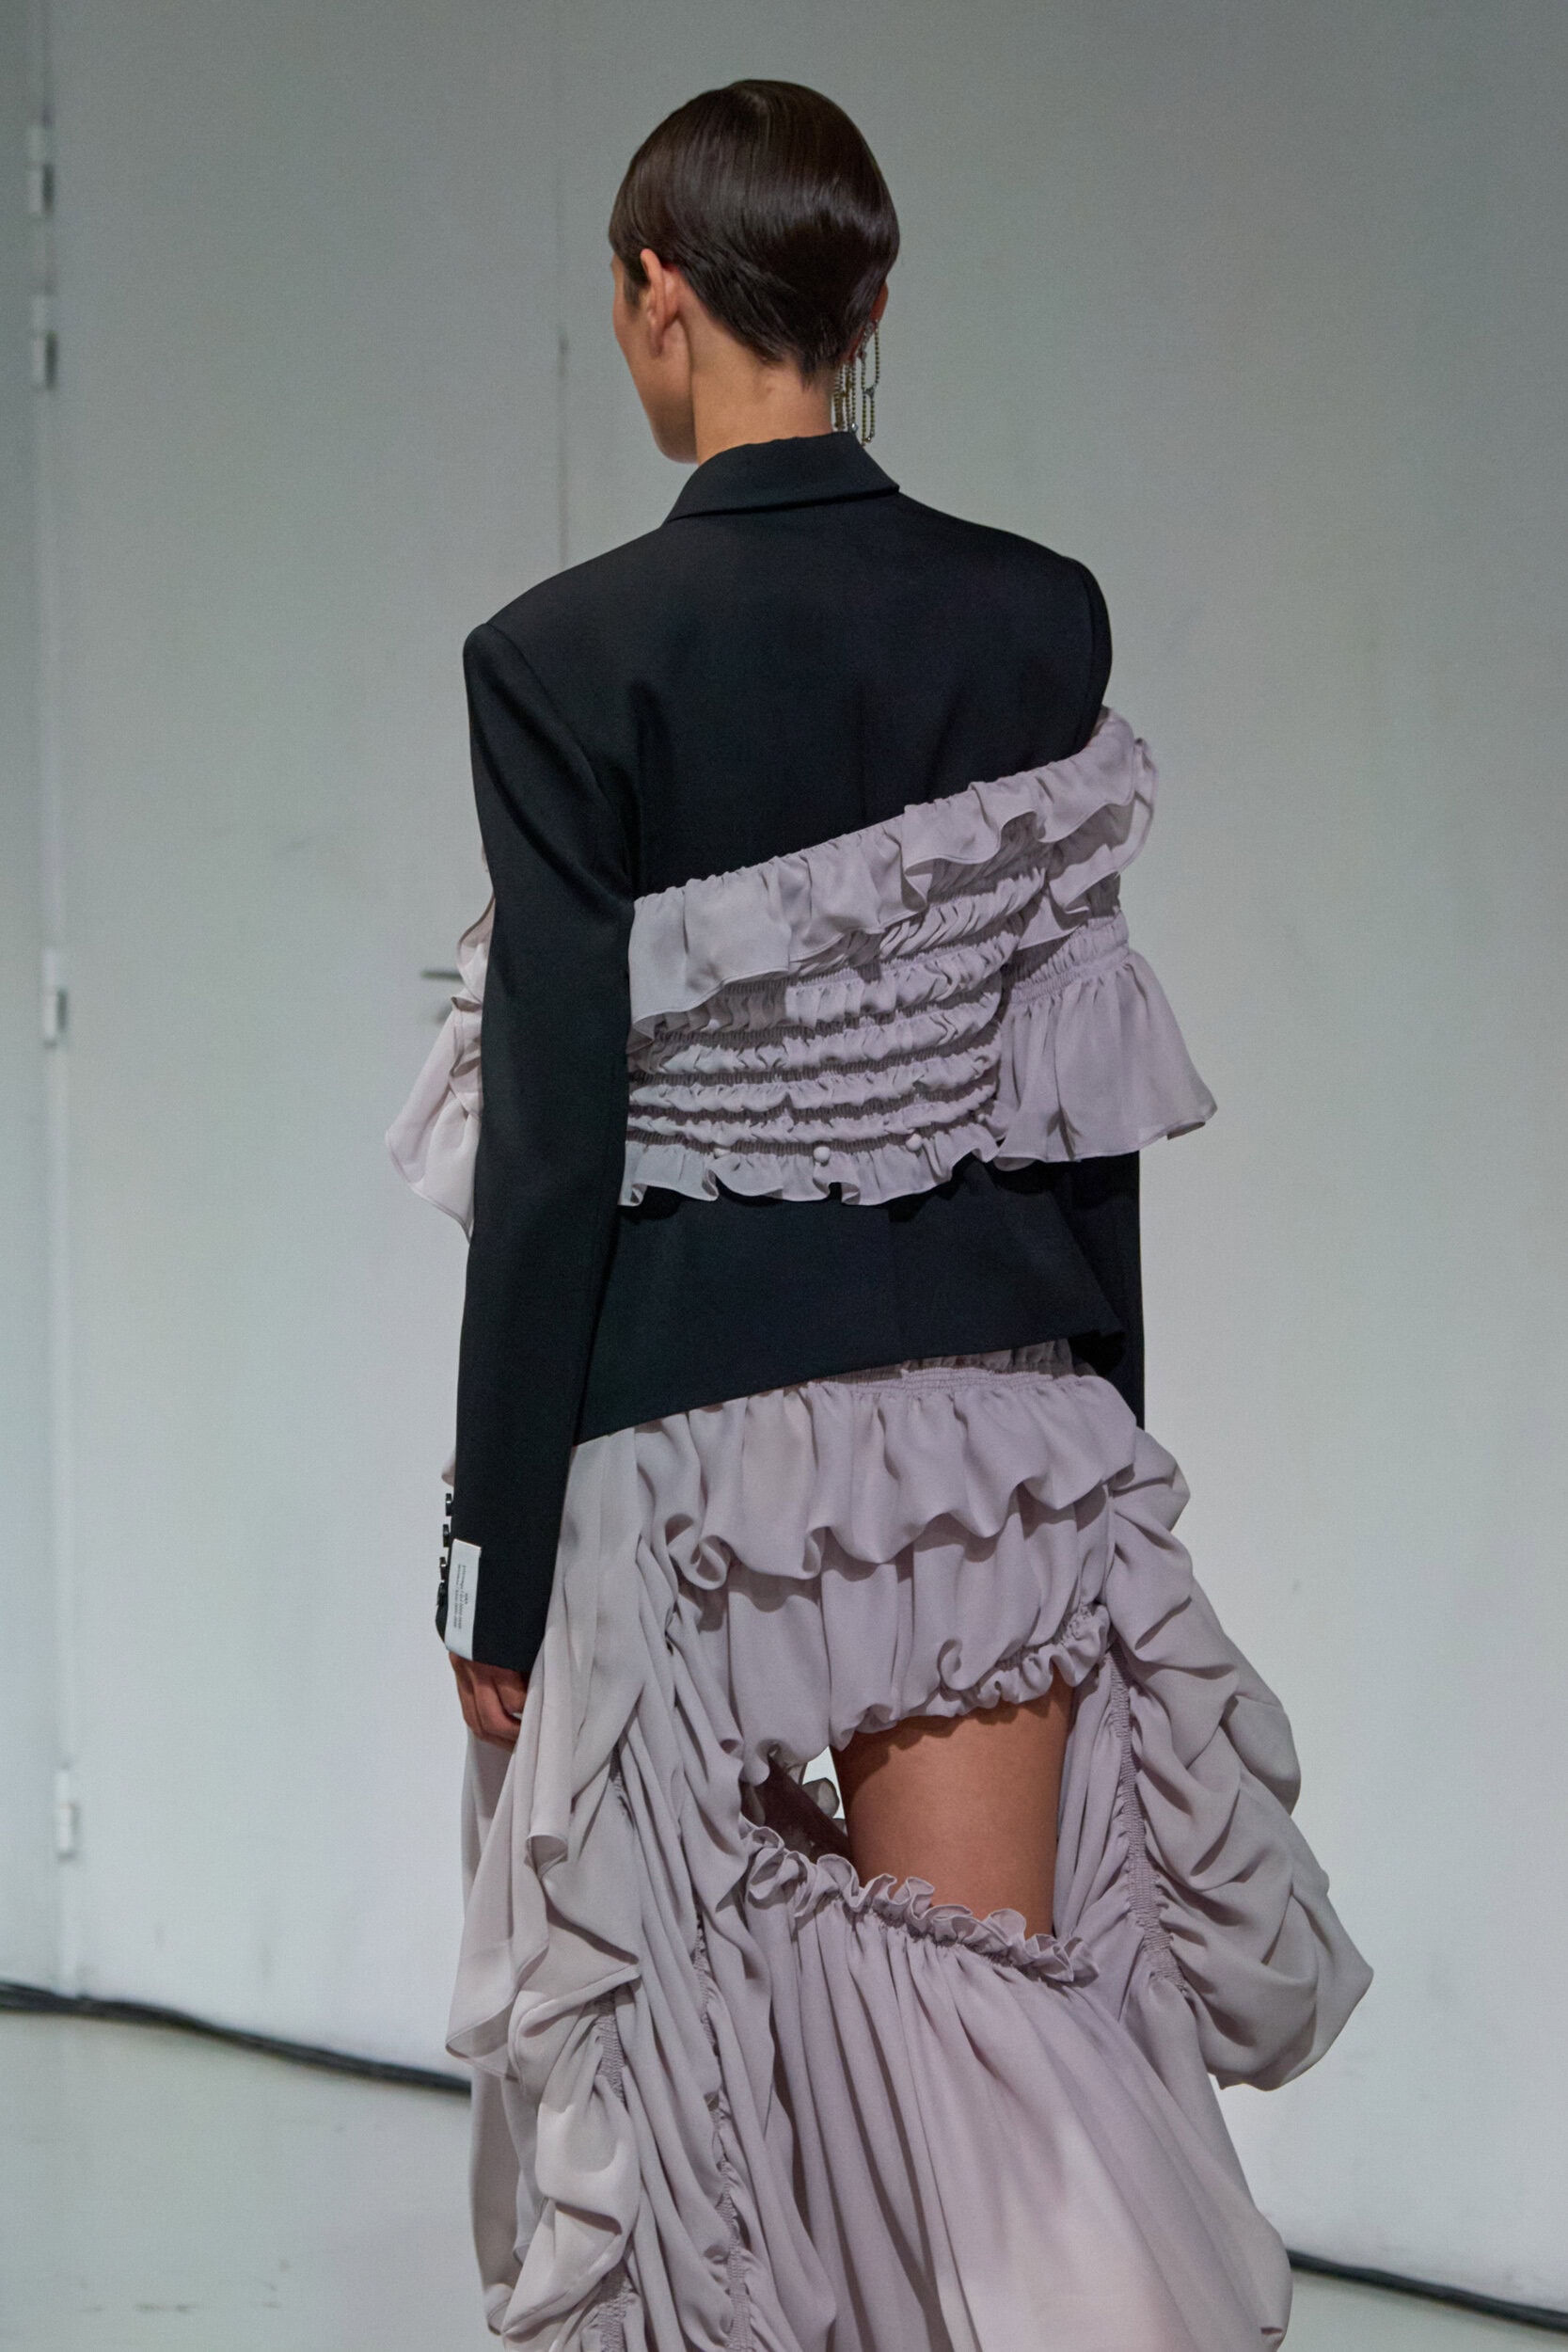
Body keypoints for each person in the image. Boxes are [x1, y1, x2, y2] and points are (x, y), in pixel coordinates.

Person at [388, 78, 1370, 2352]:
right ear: (872, 305)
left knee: (682, 2090)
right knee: (992, 2043)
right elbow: (1083, 1076)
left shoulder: (561, 658)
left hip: (681, 1478)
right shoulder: (1034, 620)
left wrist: (484, 1555)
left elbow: (553, 1147)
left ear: (658, 295)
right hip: (978, 1456)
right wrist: (1106, 1448)